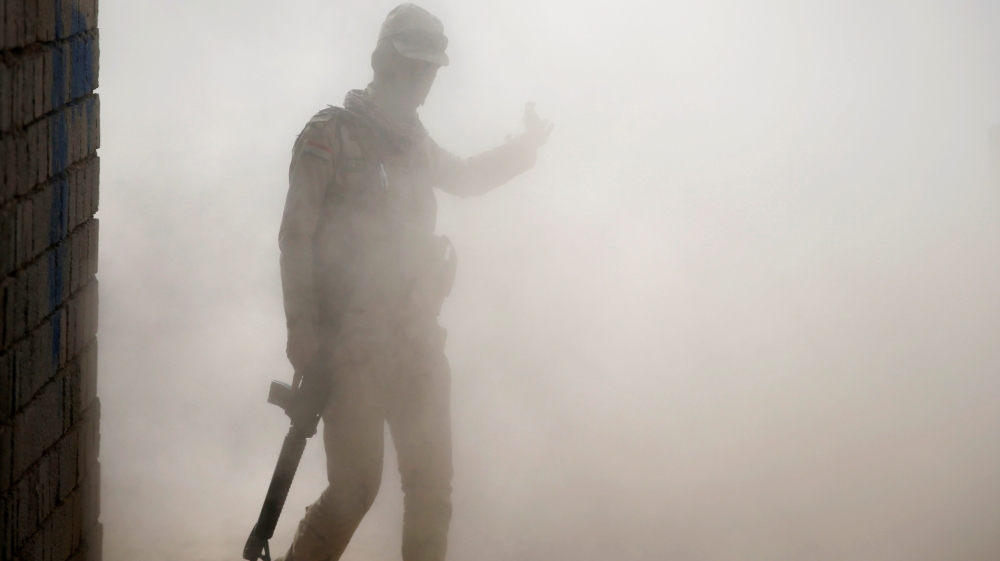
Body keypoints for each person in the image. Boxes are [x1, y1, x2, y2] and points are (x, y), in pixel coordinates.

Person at [276, 4, 552, 561]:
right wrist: (301, 330)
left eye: (429, 72)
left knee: (431, 488)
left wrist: (523, 150)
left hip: (416, 336)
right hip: (351, 345)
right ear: (382, 62)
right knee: (355, 491)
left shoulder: (414, 142)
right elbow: (297, 237)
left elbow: (468, 179)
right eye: (412, 68)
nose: (421, 82)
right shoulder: (329, 134)